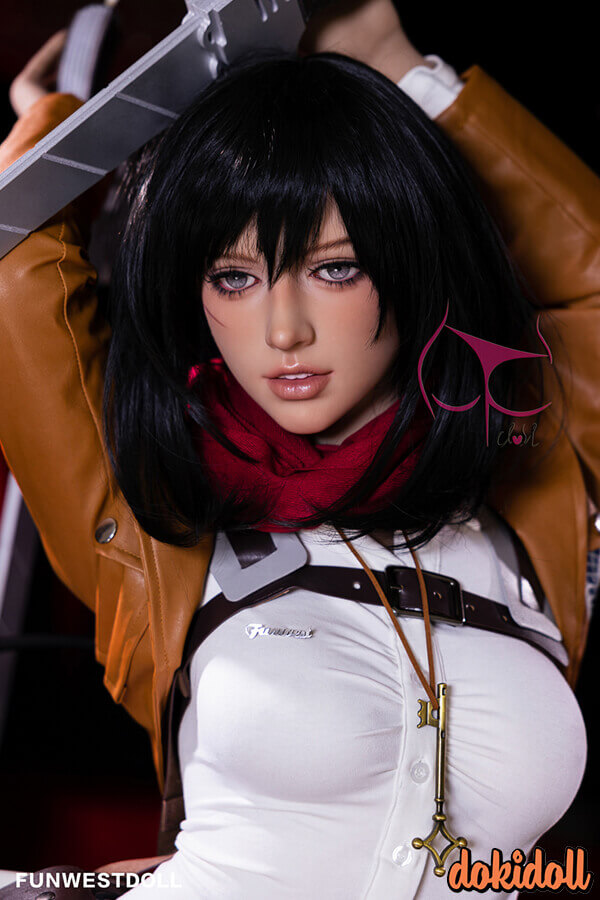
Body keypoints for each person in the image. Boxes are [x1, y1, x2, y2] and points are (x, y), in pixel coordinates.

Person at [0, 1, 598, 897]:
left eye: (334, 268)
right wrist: (64, 117)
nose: (283, 331)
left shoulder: (532, 506)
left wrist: (394, 63)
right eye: (234, 277)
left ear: (410, 261)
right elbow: (13, 269)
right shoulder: (153, 522)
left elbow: (591, 284)